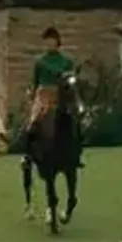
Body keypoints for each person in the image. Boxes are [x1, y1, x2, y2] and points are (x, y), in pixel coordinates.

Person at [23, 26, 84, 167]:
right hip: (43, 95)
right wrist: (31, 96)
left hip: (61, 94)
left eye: (52, 41)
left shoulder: (66, 61)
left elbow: (71, 80)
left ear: (58, 42)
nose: (49, 44)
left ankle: (76, 154)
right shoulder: (40, 61)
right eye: (47, 41)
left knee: (75, 122)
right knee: (32, 124)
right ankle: (27, 157)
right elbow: (35, 81)